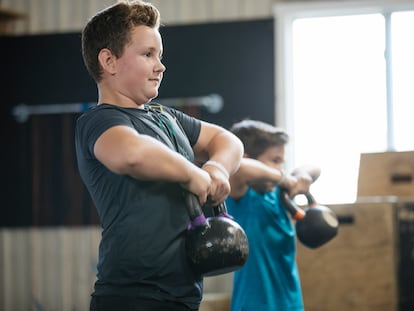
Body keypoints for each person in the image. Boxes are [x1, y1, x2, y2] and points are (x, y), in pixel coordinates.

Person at [75, 1, 243, 310]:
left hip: (183, 297)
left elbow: (227, 139)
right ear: (109, 61)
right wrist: (193, 174)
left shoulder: (166, 117)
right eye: (147, 54)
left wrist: (217, 168)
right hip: (132, 297)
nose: (160, 66)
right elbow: (132, 153)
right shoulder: (99, 122)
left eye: (160, 56)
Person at [225, 119, 321, 311]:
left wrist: (300, 175)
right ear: (249, 157)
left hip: (291, 305)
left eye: (281, 162)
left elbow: (315, 169)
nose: (279, 169)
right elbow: (240, 166)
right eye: (275, 160)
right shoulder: (241, 196)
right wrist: (284, 177)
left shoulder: (280, 195)